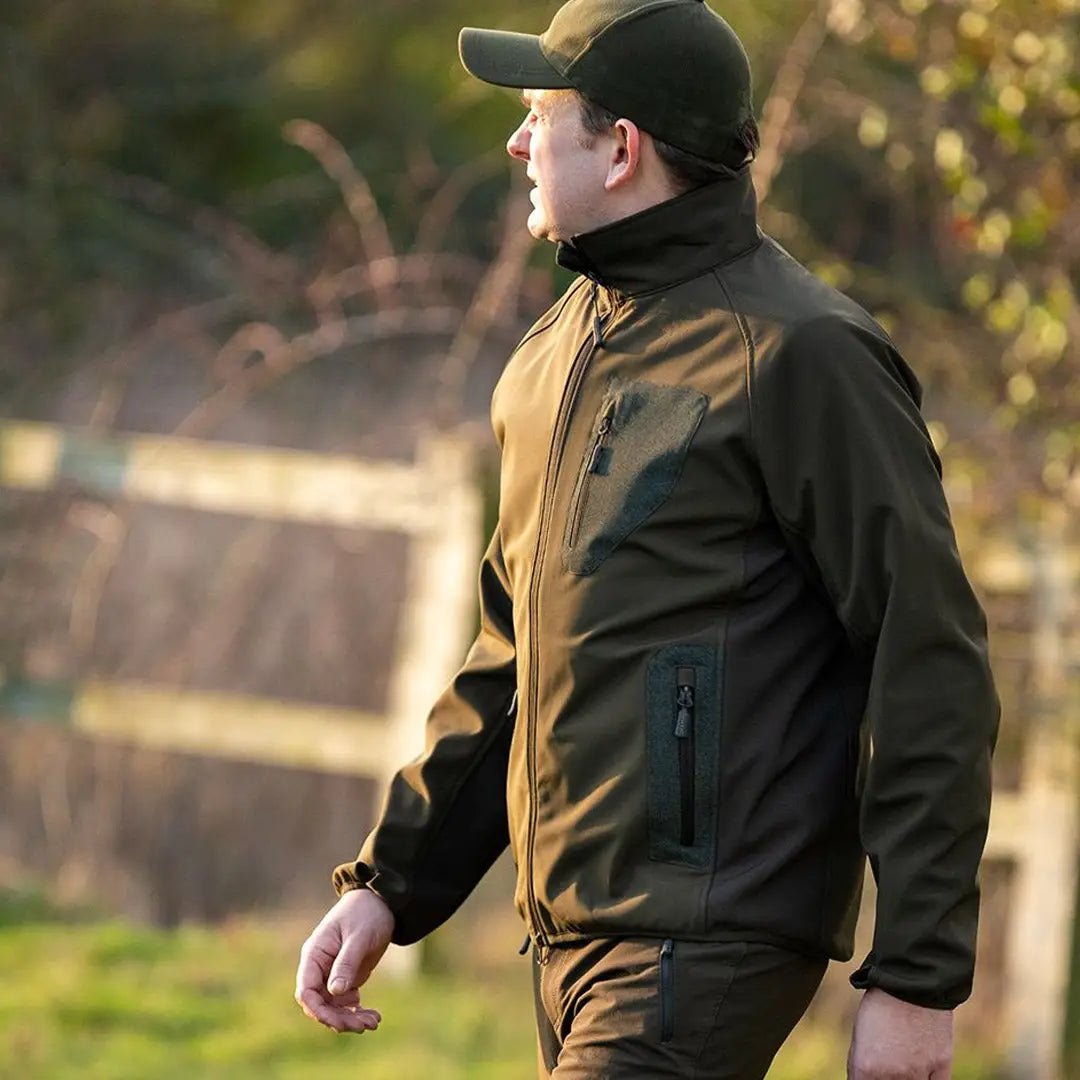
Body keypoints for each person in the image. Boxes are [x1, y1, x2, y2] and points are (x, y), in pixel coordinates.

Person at [295, 1, 1000, 1077]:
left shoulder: (804, 355)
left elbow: (930, 657)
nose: (517, 143)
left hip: (704, 942)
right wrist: (394, 881)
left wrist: (917, 976)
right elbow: (513, 655)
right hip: (569, 943)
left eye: (542, 115)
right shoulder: (547, 361)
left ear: (622, 148)